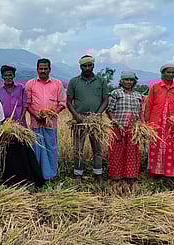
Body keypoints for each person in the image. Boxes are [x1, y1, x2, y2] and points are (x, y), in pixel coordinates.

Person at [0, 65, 44, 187]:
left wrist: (20, 121)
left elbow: (24, 105)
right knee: (8, 153)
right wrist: (4, 125)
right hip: (5, 128)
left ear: (14, 76)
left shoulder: (21, 88)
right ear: (2, 76)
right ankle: (9, 180)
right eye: (5, 75)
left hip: (20, 126)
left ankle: (27, 179)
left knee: (23, 152)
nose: (8, 77)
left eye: (10, 75)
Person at [67, 55, 109, 187]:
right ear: (80, 67)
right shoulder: (74, 81)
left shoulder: (101, 81)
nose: (87, 68)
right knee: (78, 149)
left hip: (96, 121)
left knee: (97, 148)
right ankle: (78, 174)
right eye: (84, 66)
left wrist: (97, 115)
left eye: (89, 65)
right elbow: (68, 102)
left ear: (93, 66)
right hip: (80, 120)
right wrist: (76, 116)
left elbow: (105, 100)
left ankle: (98, 174)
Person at [144, 64, 174, 178]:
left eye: (173, 72)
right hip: (156, 122)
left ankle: (171, 173)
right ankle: (155, 173)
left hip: (172, 123)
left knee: (172, 147)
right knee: (155, 146)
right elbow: (149, 105)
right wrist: (147, 122)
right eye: (168, 72)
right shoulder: (155, 87)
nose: (171, 74)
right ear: (162, 73)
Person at [25, 58, 66, 181]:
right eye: (40, 68)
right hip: (35, 123)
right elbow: (27, 104)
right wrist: (36, 115)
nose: (43, 71)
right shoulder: (30, 84)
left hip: (50, 124)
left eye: (45, 68)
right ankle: (37, 176)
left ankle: (50, 176)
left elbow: (62, 103)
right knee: (36, 149)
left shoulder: (57, 84)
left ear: (50, 69)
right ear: (37, 69)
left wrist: (51, 114)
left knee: (50, 149)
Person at [106, 71, 143, 185]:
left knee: (132, 152)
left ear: (134, 81)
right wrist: (116, 122)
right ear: (121, 81)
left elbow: (140, 112)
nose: (128, 82)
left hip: (133, 129)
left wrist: (141, 126)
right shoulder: (116, 93)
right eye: (126, 79)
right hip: (118, 127)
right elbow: (109, 110)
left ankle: (130, 176)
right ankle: (116, 177)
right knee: (117, 152)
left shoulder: (138, 95)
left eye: (131, 80)